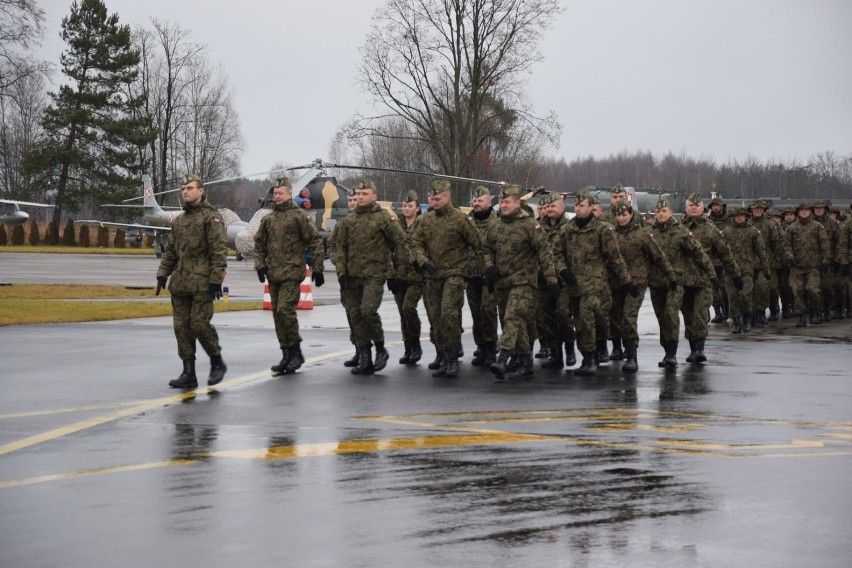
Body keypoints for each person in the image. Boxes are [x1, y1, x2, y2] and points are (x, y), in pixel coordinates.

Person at [552, 190, 638, 376]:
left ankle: (589, 359)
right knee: (573, 320)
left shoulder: (602, 229)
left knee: (587, 320)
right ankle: (591, 351)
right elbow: (556, 253)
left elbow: (615, 258)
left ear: (591, 207)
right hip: (573, 285)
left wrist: (627, 282)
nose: (578, 209)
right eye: (576, 206)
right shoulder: (567, 229)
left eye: (582, 205)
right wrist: (563, 270)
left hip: (595, 286)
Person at [156, 173, 228, 389]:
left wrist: (216, 279)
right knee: (181, 328)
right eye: (183, 188)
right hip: (180, 284)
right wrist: (162, 274)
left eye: (189, 188)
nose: (185, 191)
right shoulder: (180, 221)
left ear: (201, 191)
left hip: (202, 284)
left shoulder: (211, 217)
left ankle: (217, 362)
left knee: (199, 325)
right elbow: (171, 251)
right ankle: (189, 372)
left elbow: (219, 251)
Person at [483, 185, 558, 381]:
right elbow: (486, 249)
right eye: (501, 202)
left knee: (512, 317)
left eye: (507, 202)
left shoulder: (529, 225)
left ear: (517, 203)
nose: (503, 205)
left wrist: (551, 279)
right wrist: (489, 267)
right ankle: (525, 362)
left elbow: (545, 253)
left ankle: (502, 357)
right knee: (518, 324)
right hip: (502, 283)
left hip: (524, 283)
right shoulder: (495, 225)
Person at [334, 179, 410, 374]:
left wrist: (397, 272)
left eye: (364, 194)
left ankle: (380, 348)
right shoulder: (349, 221)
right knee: (355, 315)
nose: (360, 197)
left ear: (374, 196)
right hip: (352, 276)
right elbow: (339, 248)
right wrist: (341, 272)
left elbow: (400, 242)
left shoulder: (383, 218)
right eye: (358, 195)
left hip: (374, 276)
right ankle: (365, 356)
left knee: (368, 312)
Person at [411, 178, 483, 377]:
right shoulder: (425, 220)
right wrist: (423, 260)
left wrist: (484, 272)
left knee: (449, 315)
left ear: (448, 197)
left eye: (438, 198)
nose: (434, 202)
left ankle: (451, 358)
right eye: (432, 198)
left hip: (454, 274)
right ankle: (441, 354)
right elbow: (415, 243)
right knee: (435, 318)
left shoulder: (461, 219)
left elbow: (478, 245)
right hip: (432, 276)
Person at [254, 176, 325, 374]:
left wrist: (317, 267)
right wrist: (259, 265)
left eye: (280, 193)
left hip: (292, 273)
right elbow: (259, 243)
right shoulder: (268, 219)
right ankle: (286, 354)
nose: (276, 196)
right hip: (274, 273)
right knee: (278, 315)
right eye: (275, 193)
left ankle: (296, 352)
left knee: (285, 311)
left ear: (289, 194)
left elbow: (316, 240)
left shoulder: (299, 216)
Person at [646, 198, 715, 368]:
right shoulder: (648, 232)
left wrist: (711, 273)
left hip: (676, 282)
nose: (660, 214)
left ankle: (672, 354)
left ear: (670, 212)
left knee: (671, 314)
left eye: (664, 211)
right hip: (656, 282)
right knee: (662, 317)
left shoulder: (680, 231)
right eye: (658, 211)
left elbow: (698, 253)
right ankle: (667, 349)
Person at [610, 202, 677, 372]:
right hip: (616, 283)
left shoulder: (641, 235)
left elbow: (659, 257)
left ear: (631, 215)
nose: (621, 218)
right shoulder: (610, 235)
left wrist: (671, 277)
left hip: (636, 284)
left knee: (628, 317)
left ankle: (632, 357)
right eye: (618, 215)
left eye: (624, 214)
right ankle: (620, 348)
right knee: (615, 319)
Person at [681, 192, 742, 362]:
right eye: (691, 206)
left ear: (702, 208)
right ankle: (692, 347)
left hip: (704, 280)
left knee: (700, 314)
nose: (694, 208)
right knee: (688, 316)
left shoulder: (710, 228)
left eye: (697, 205)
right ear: (686, 208)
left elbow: (725, 253)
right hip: (683, 281)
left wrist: (735, 274)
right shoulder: (678, 228)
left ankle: (699, 349)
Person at [537, 192, 574, 370]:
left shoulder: (570, 227)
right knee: (547, 319)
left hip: (563, 281)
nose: (549, 209)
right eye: (547, 207)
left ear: (562, 207)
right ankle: (556, 354)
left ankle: (569, 347)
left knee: (563, 315)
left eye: (553, 206)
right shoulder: (537, 227)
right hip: (543, 281)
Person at [466, 186, 499, 367]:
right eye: (475, 201)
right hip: (471, 274)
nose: (476, 204)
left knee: (488, 310)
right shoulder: (467, 221)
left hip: (489, 275)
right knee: (476, 313)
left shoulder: (496, 222)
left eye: (480, 201)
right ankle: (481, 346)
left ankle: (491, 346)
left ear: (489, 202)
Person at [721, 207, 767, 334]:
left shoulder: (753, 232)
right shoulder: (726, 232)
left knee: (745, 296)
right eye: (737, 215)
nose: (739, 217)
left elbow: (761, 252)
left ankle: (747, 318)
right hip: (730, 271)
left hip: (747, 270)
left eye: (741, 215)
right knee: (733, 297)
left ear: (746, 217)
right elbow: (720, 251)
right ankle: (736, 322)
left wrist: (766, 269)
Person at [784, 202, 830, 327]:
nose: (804, 212)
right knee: (797, 291)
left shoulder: (817, 226)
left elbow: (825, 246)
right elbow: (786, 245)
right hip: (797, 267)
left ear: (810, 212)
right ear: (798, 212)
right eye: (801, 210)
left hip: (813, 266)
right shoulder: (792, 228)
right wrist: (790, 257)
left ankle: (816, 311)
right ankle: (801, 315)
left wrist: (825, 261)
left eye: (806, 210)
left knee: (812, 289)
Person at [392, 190, 425, 364]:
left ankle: (416, 344)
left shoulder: (423, 225)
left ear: (418, 208)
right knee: (402, 313)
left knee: (408, 308)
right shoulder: (397, 225)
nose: (406, 209)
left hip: (417, 277)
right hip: (399, 276)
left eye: (410, 206)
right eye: (404, 205)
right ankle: (408, 348)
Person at [327, 191, 359, 366]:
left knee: (365, 314)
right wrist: (337, 261)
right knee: (351, 314)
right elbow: (331, 245)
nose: (353, 203)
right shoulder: (342, 224)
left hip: (365, 276)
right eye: (350, 200)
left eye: (356, 199)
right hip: (346, 277)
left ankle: (370, 350)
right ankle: (358, 349)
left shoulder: (370, 222)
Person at [747, 200, 786, 325]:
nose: (758, 211)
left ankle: (768, 310)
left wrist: (779, 261)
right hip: (750, 263)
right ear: (752, 210)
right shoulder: (747, 224)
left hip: (767, 263)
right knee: (752, 290)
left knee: (769, 288)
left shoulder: (770, 224)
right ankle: (754, 313)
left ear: (764, 211)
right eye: (755, 209)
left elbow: (776, 244)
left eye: (760, 209)